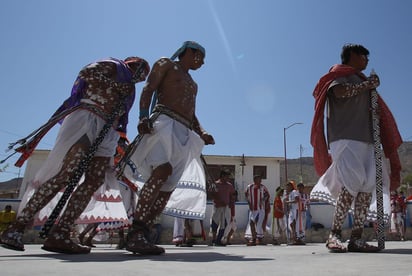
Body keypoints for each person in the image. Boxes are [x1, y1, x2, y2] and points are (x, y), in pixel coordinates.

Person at [1, 56, 150, 254]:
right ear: (132, 64)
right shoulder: (113, 65)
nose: (141, 77)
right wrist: (114, 85)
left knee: (95, 180)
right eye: (141, 71)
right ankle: (16, 228)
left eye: (144, 76)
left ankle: (61, 232)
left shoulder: (130, 88)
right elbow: (86, 73)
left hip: (108, 130)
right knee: (66, 174)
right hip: (86, 118)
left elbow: (122, 114)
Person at [123, 41, 215, 255]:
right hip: (163, 123)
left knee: (166, 189)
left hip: (184, 132)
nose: (201, 63)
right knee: (161, 171)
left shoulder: (193, 84)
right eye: (200, 57)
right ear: (190, 51)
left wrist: (201, 132)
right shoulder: (166, 64)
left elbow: (191, 112)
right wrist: (143, 116)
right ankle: (135, 232)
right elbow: (149, 88)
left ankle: (143, 234)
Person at [310, 43, 402, 253]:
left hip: (368, 139)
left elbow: (371, 109)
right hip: (345, 137)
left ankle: (356, 239)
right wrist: (367, 85)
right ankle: (334, 235)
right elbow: (341, 93)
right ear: (352, 55)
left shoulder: (362, 82)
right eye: (364, 55)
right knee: (351, 182)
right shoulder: (338, 75)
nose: (367, 60)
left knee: (366, 187)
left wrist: (375, 112)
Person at [210, 169, 236, 246]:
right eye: (226, 176)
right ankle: (214, 239)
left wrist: (231, 204)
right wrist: (217, 199)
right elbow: (211, 194)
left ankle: (219, 239)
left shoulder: (229, 185)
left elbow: (232, 195)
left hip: (226, 207)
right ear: (222, 176)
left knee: (224, 224)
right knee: (215, 223)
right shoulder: (215, 184)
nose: (228, 178)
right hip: (217, 207)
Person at [244, 175, 270, 246]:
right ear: (254, 180)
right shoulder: (249, 187)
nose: (260, 181)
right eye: (259, 180)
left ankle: (259, 238)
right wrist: (249, 203)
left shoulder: (263, 187)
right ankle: (254, 238)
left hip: (261, 208)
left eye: (260, 180)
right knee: (251, 222)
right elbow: (246, 195)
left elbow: (267, 195)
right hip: (253, 209)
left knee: (259, 223)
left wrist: (263, 199)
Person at [284, 180, 300, 245]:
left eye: (288, 187)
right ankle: (294, 238)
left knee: (293, 224)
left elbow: (297, 200)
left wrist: (288, 202)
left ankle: (295, 239)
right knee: (291, 225)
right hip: (291, 210)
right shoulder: (290, 194)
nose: (287, 188)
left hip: (294, 210)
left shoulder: (294, 192)